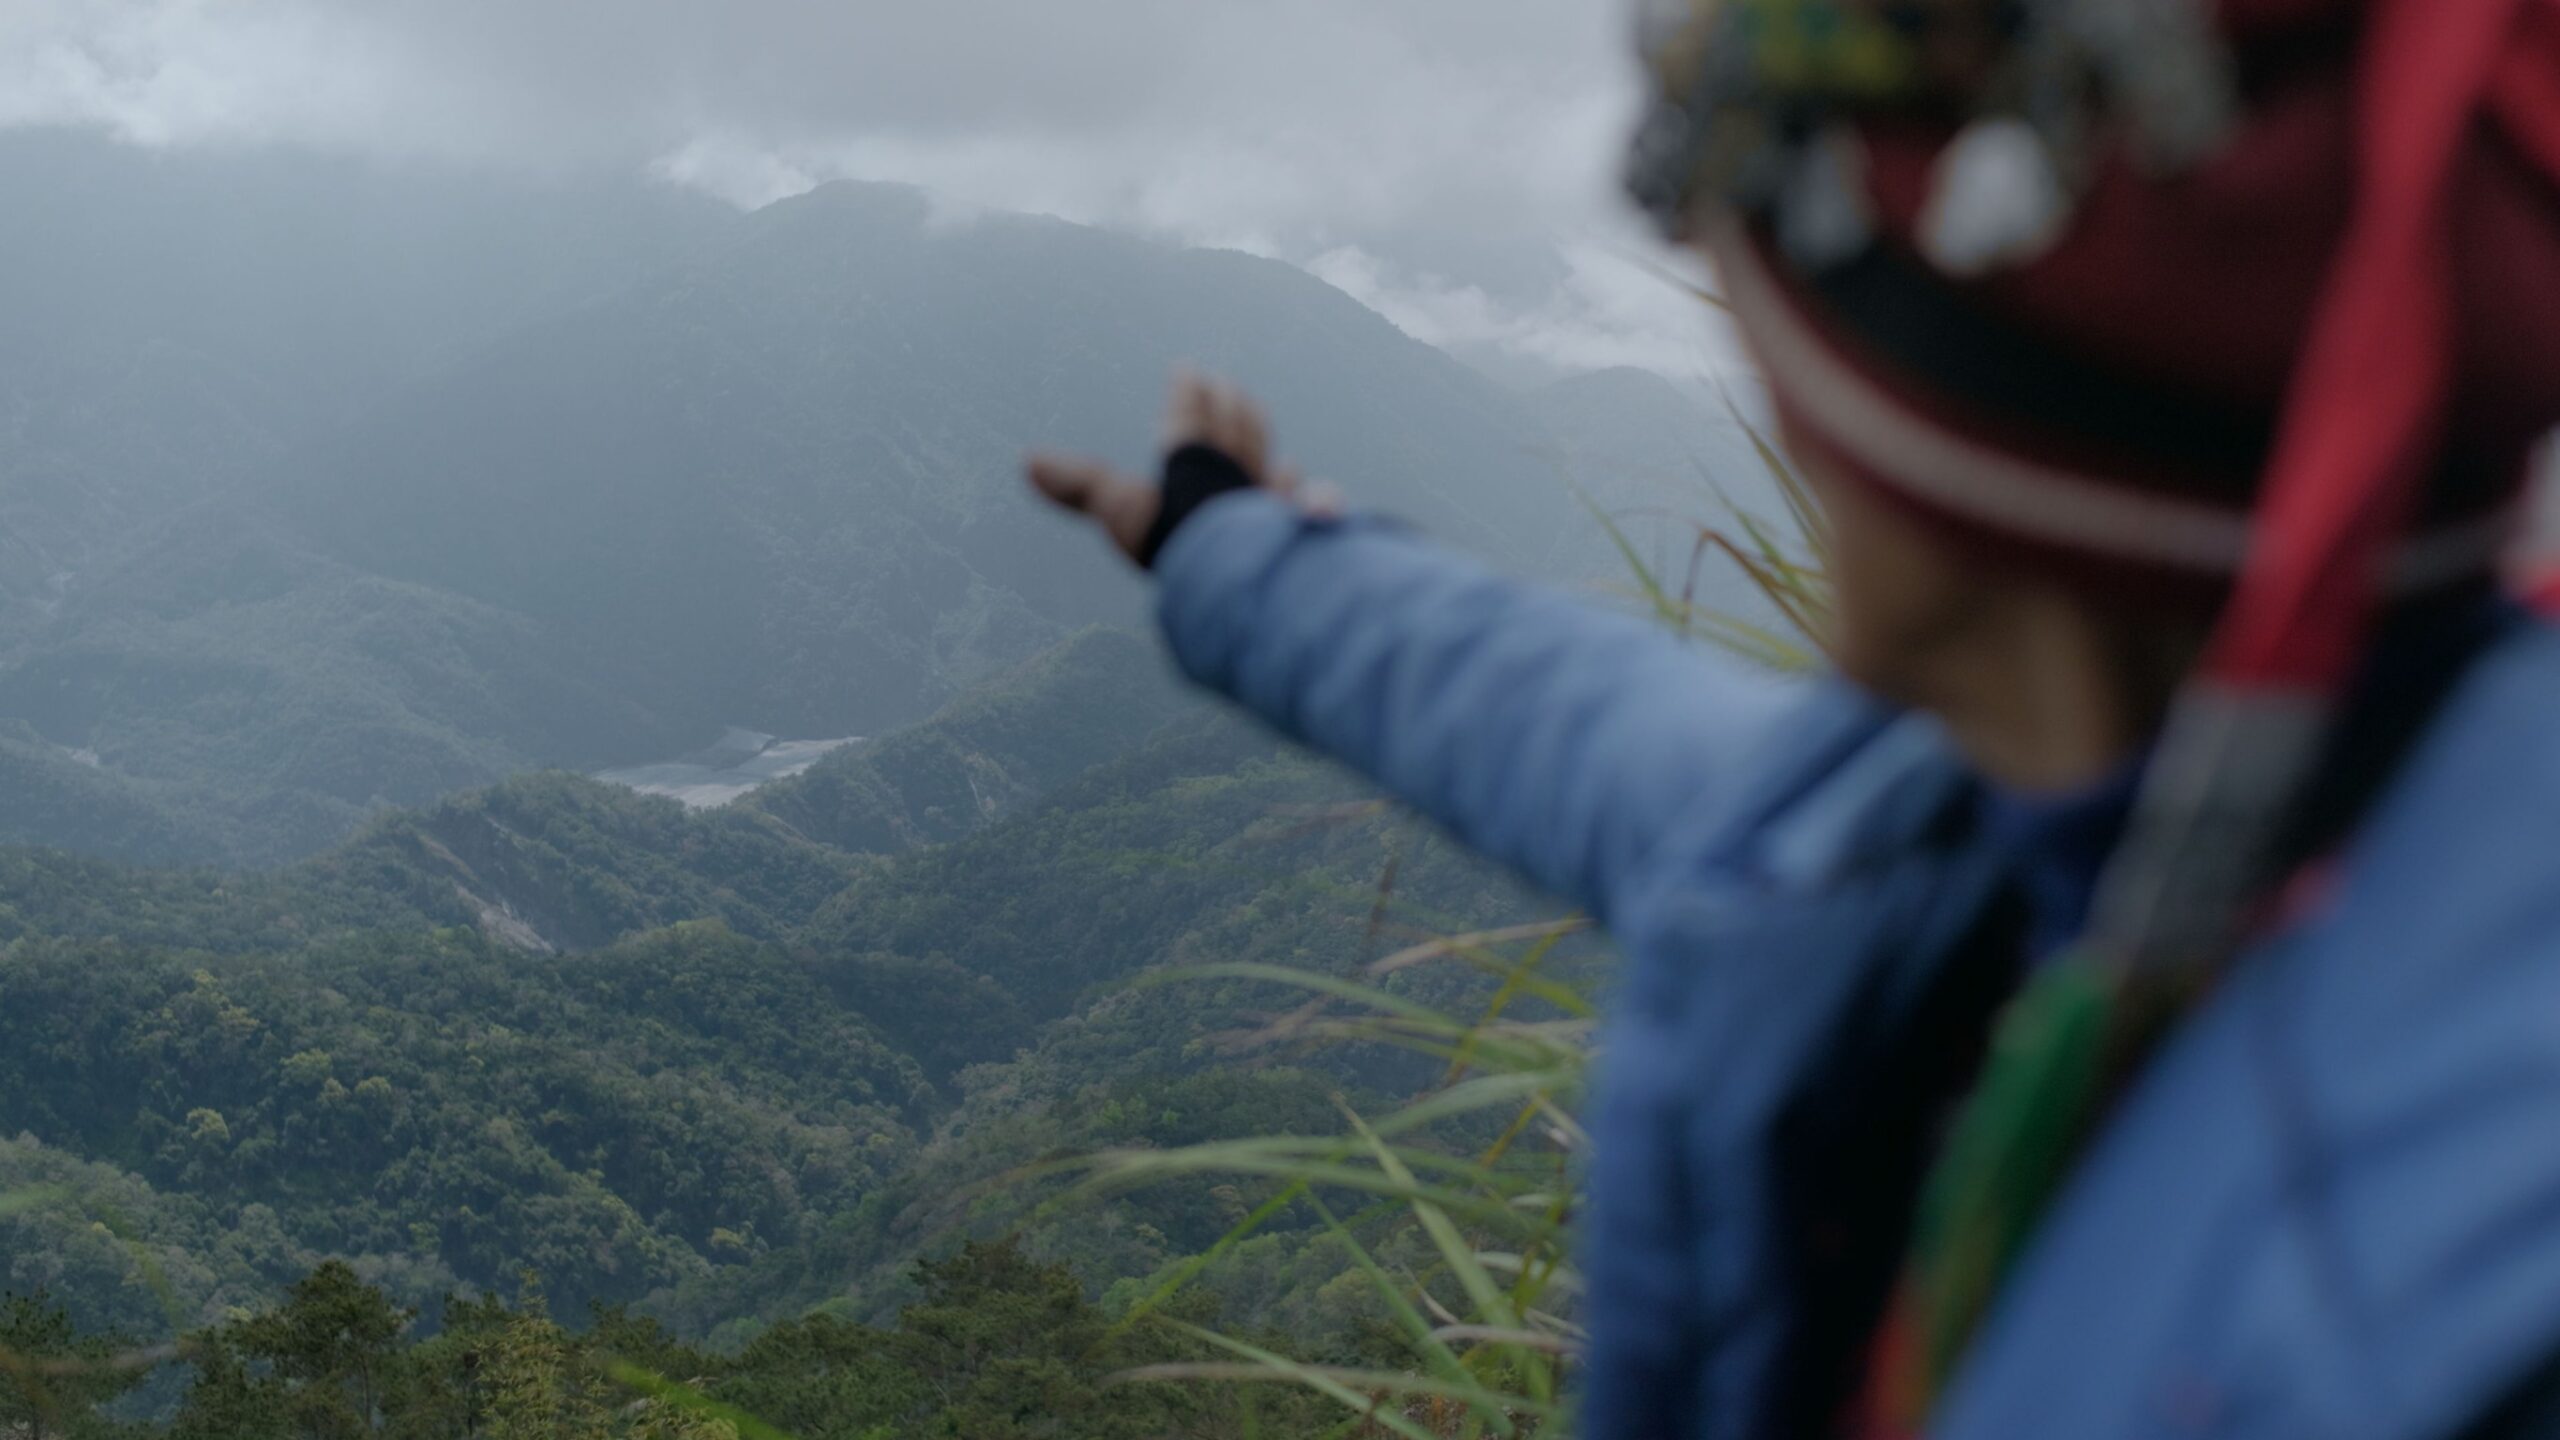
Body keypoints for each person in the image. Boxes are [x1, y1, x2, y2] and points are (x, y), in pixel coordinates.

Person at [1028, 0, 2560, 1435]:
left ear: (1946, 441)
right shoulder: (2000, 818)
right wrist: (1228, 549)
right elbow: (1567, 724)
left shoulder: (2439, 1330)